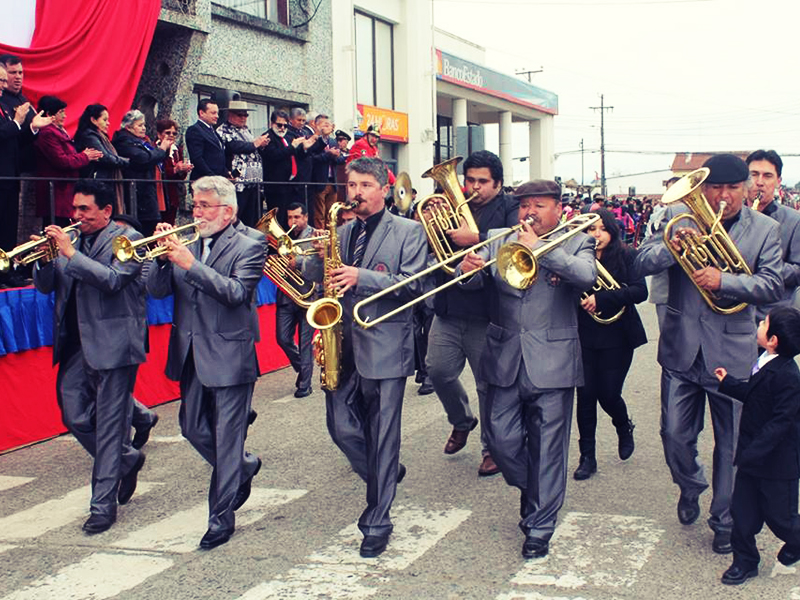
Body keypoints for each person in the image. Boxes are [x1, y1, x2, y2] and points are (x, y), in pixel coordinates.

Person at [633, 153, 784, 555]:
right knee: (674, 437)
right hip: (681, 347)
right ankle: (690, 485)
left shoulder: (766, 230)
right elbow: (641, 261)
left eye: (733, 188)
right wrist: (673, 248)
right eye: (715, 187)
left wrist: (725, 280)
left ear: (745, 189)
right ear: (702, 189)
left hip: (734, 350)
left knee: (732, 445)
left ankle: (724, 519)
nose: (723, 196)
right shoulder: (677, 220)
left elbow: (772, 286)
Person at [457, 179, 596, 559]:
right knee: (500, 441)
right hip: (504, 355)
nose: (529, 212)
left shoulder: (576, 239)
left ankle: (539, 526)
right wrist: (467, 269)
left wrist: (543, 251)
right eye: (523, 206)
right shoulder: (500, 237)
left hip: (553, 361)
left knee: (550, 449)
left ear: (558, 209)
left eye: (539, 205)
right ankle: (534, 491)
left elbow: (586, 277)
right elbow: (470, 284)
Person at [308, 156, 427, 558]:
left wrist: (363, 277)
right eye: (351, 185)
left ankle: (377, 519)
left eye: (363, 185)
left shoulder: (409, 231)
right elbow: (326, 281)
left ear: (382, 189)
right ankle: (385, 470)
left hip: (387, 344)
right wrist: (308, 261)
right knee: (341, 427)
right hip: (342, 341)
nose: (354, 193)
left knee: (383, 432)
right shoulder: (340, 231)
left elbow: (415, 285)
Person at [147, 175, 264, 550]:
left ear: (227, 212)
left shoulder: (250, 244)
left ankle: (221, 518)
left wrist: (189, 263)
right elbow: (156, 290)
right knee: (192, 428)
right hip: (190, 352)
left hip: (230, 352)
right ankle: (243, 468)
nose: (195, 213)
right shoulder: (188, 243)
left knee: (228, 439)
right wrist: (165, 259)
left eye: (204, 206)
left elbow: (235, 293)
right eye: (194, 205)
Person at [33, 179, 148, 534]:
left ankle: (102, 506)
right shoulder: (73, 242)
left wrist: (69, 253)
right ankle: (128, 460)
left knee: (111, 428)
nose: (76, 215)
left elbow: (113, 280)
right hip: (75, 344)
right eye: (75, 208)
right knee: (74, 417)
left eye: (85, 209)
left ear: (107, 211)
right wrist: (45, 258)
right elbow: (46, 286)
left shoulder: (125, 242)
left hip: (114, 345)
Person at [426, 150, 519, 477]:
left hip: (487, 311)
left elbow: (516, 243)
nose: (474, 187)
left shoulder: (510, 207)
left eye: (482, 182)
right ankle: (462, 420)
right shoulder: (448, 205)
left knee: (487, 385)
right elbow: (430, 249)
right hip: (450, 306)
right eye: (469, 180)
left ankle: (491, 448)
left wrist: (476, 239)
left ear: (498, 184)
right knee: (437, 371)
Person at [714, 307, 800, 585]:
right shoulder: (765, 361)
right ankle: (745, 561)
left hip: (777, 464)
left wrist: (752, 452)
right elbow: (755, 395)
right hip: (753, 459)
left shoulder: (788, 376)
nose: (759, 325)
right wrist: (728, 383)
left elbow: (780, 423)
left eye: (764, 324)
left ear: (773, 339)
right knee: (742, 514)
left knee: (781, 519)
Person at [573, 208, 647, 480]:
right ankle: (587, 457)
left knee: (608, 394)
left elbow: (640, 291)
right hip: (585, 334)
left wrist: (602, 299)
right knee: (585, 397)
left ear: (612, 230)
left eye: (602, 229)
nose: (597, 235)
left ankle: (622, 424)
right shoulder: (577, 256)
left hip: (618, 335)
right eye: (591, 229)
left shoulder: (626, 254)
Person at [745, 150, 800, 319]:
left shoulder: (795, 220)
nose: (759, 182)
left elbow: (798, 270)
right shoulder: (727, 216)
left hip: (771, 315)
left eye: (767, 176)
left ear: (778, 181)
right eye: (753, 174)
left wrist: (761, 269)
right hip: (732, 312)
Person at [34, 96, 102, 226]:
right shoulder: (48, 133)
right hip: (56, 192)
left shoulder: (59, 131)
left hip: (65, 191)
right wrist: (85, 156)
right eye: (61, 112)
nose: (65, 116)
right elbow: (62, 161)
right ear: (49, 114)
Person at [275, 202, 315, 398]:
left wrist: (298, 262)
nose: (292, 221)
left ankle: (305, 384)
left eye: (296, 217)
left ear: (305, 217)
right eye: (290, 217)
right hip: (287, 296)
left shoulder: (316, 236)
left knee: (305, 341)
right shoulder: (283, 238)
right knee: (282, 338)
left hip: (308, 295)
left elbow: (320, 263)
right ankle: (303, 368)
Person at [112, 110, 171, 236]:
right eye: (140, 125)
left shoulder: (141, 141)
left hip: (146, 193)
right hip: (137, 195)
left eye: (144, 125)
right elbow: (143, 159)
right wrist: (161, 150)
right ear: (128, 127)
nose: (144, 128)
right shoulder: (124, 142)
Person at [185, 99, 268, 181]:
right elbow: (197, 159)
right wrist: (212, 177)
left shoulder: (212, 130)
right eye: (213, 113)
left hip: (220, 180)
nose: (217, 116)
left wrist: (226, 173)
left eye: (217, 113)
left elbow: (219, 155)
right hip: (205, 182)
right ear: (201, 113)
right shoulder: (195, 130)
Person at [74, 104, 131, 213]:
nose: (108, 123)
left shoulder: (100, 136)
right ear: (93, 120)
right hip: (97, 182)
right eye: (104, 120)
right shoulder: (89, 136)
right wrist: (126, 161)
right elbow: (105, 157)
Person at [217, 100, 265, 228]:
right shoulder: (223, 130)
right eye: (240, 115)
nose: (244, 118)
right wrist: (255, 144)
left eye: (246, 115)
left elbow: (252, 146)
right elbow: (232, 146)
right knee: (238, 215)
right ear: (230, 115)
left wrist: (260, 145)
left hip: (253, 182)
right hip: (238, 182)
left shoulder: (246, 130)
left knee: (252, 217)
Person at [262, 109, 304, 228]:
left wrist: (306, 147)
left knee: (292, 218)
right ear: (272, 124)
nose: (282, 128)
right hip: (276, 186)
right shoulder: (267, 137)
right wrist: (292, 146)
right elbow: (275, 155)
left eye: (285, 125)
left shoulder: (290, 135)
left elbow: (300, 155)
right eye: (279, 125)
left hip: (291, 184)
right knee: (279, 220)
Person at [154, 119, 193, 225]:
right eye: (167, 133)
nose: (171, 135)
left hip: (173, 194)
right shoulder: (154, 149)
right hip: (160, 192)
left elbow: (179, 176)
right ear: (159, 134)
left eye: (174, 133)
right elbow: (158, 172)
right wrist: (175, 169)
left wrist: (183, 170)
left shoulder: (177, 150)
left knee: (170, 223)